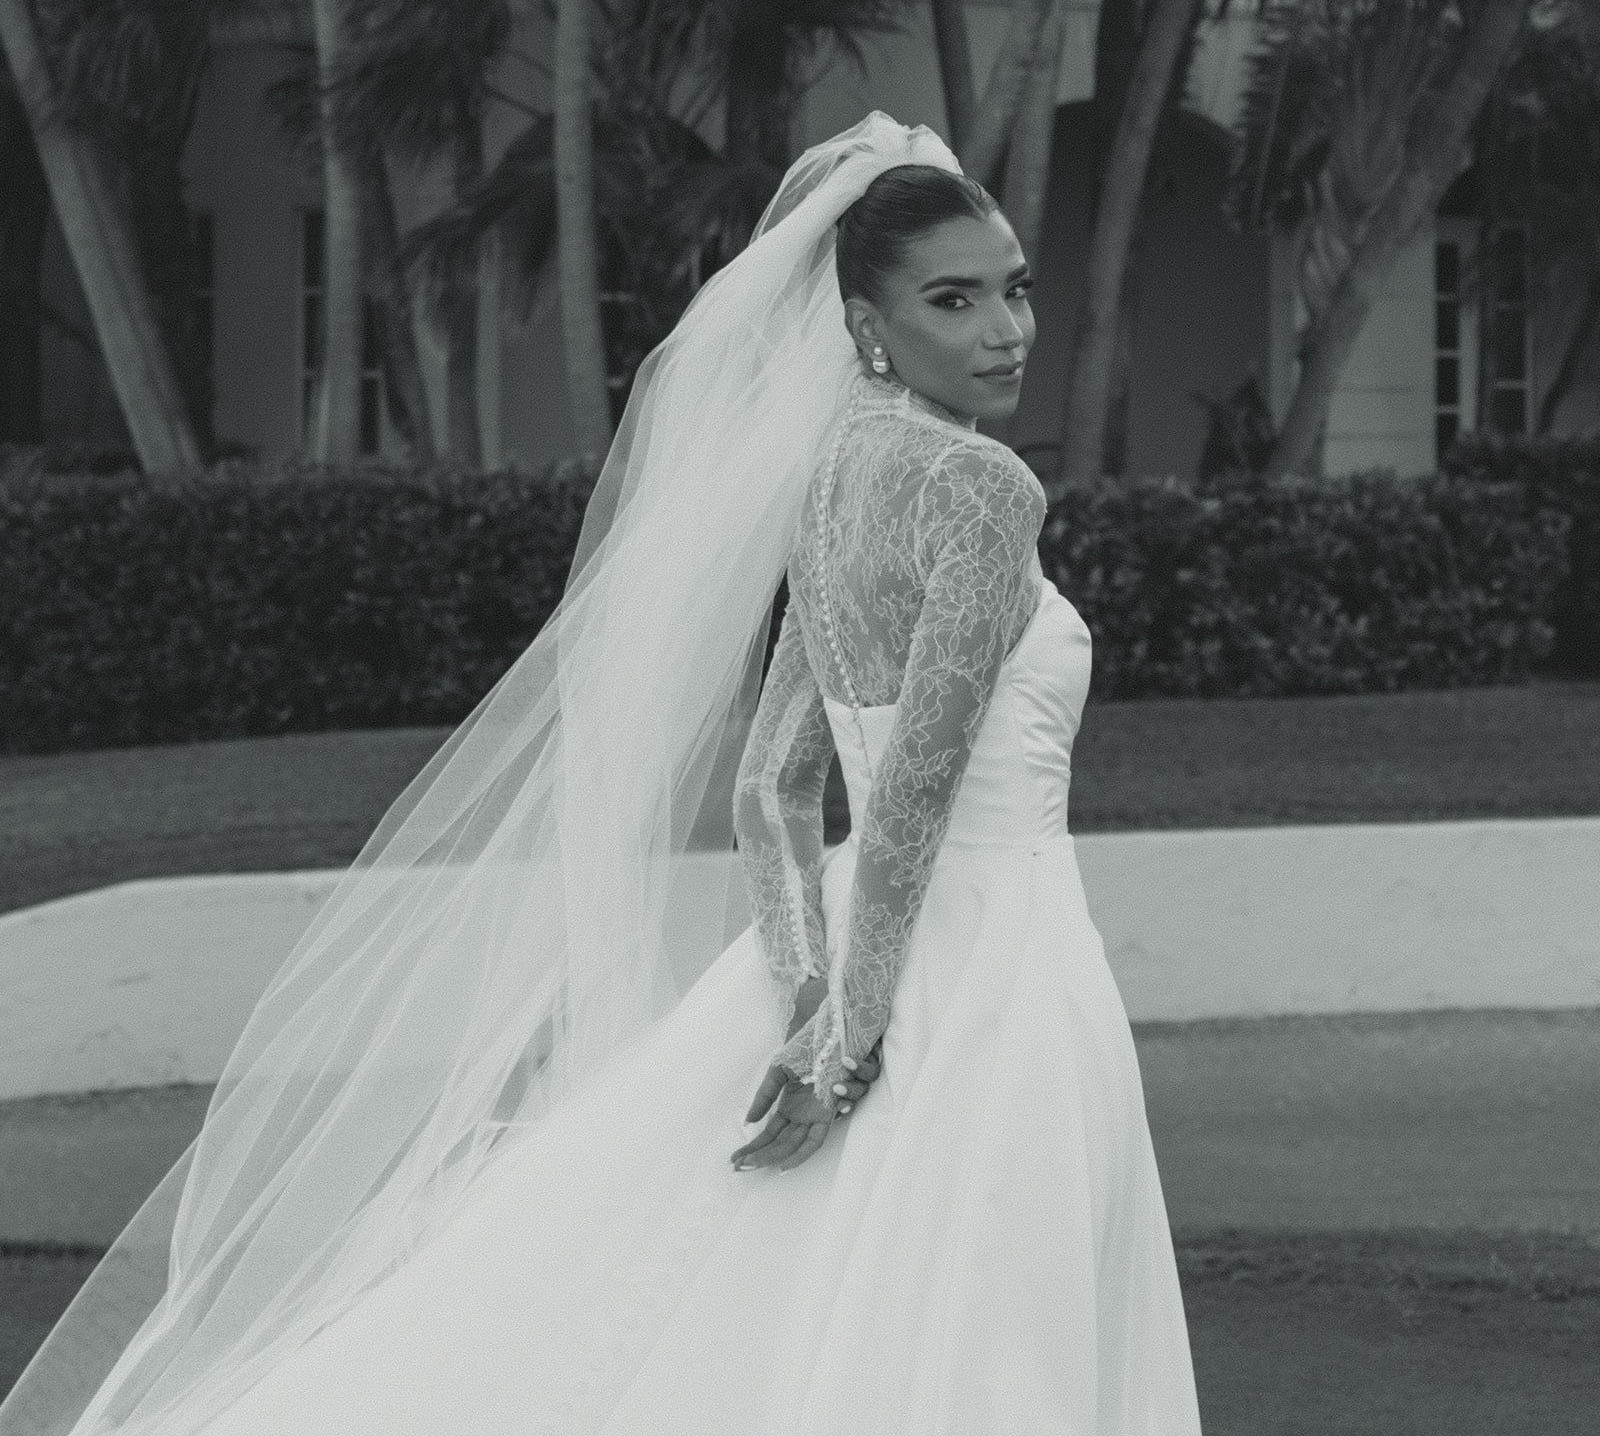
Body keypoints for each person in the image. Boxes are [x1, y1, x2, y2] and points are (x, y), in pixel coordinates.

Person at [0, 114, 1201, 1435]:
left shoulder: (825, 486)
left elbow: (773, 786)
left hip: (850, 959)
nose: (1005, 328)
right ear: (864, 327)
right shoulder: (982, 490)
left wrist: (803, 993)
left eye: (1017, 289)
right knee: (981, 1312)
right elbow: (912, 791)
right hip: (994, 966)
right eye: (954, 299)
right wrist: (848, 1036)